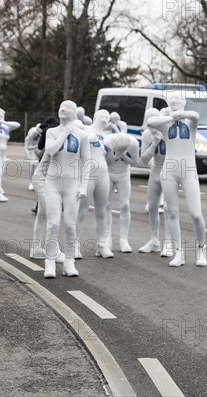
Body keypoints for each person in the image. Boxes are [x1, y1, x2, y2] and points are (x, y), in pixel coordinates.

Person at [148, 93, 207, 267]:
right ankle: (178, 252)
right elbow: (150, 123)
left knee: (196, 213)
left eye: (178, 99)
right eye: (171, 99)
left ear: (184, 102)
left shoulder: (190, 121)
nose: (174, 101)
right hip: (169, 170)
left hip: (189, 170)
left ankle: (201, 249)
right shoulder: (165, 122)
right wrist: (168, 117)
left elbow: (195, 116)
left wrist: (179, 114)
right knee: (172, 212)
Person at [43, 100, 91, 279]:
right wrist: (64, 132)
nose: (63, 109)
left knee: (70, 225)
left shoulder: (82, 135)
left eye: (68, 108)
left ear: (74, 113)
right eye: (61, 107)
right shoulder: (51, 132)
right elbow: (50, 151)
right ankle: (49, 262)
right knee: (53, 223)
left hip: (73, 183)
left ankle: (69, 262)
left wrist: (84, 185)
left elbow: (86, 162)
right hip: (53, 182)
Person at [75, 110, 114, 259]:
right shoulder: (85, 129)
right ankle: (74, 244)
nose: (105, 116)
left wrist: (112, 149)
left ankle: (102, 244)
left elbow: (110, 160)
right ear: (95, 116)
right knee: (82, 211)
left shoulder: (107, 137)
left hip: (103, 174)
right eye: (102, 114)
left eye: (107, 115)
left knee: (102, 211)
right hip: (87, 174)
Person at [139, 108, 173, 255]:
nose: (151, 127)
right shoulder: (147, 134)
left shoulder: (169, 132)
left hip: (170, 171)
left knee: (168, 207)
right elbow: (144, 159)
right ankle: (154, 240)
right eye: (148, 124)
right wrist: (154, 143)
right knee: (152, 206)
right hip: (156, 170)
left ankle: (169, 242)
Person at [103, 132, 140, 253]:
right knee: (106, 205)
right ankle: (107, 238)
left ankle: (124, 239)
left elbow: (135, 162)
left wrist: (123, 155)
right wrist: (114, 155)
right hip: (108, 173)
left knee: (125, 205)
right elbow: (105, 162)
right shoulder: (107, 141)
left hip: (123, 174)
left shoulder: (133, 143)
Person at [0, 111, 20, 202]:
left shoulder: (6, 126)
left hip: (3, 152)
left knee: (0, 173)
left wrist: (4, 122)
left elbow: (17, 125)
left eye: (1, 116)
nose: (0, 117)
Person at [25, 123, 43, 191]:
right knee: (33, 164)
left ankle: (37, 181)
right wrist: (37, 147)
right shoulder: (32, 133)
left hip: (36, 147)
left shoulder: (41, 132)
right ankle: (30, 183)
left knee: (39, 164)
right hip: (29, 147)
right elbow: (28, 147)